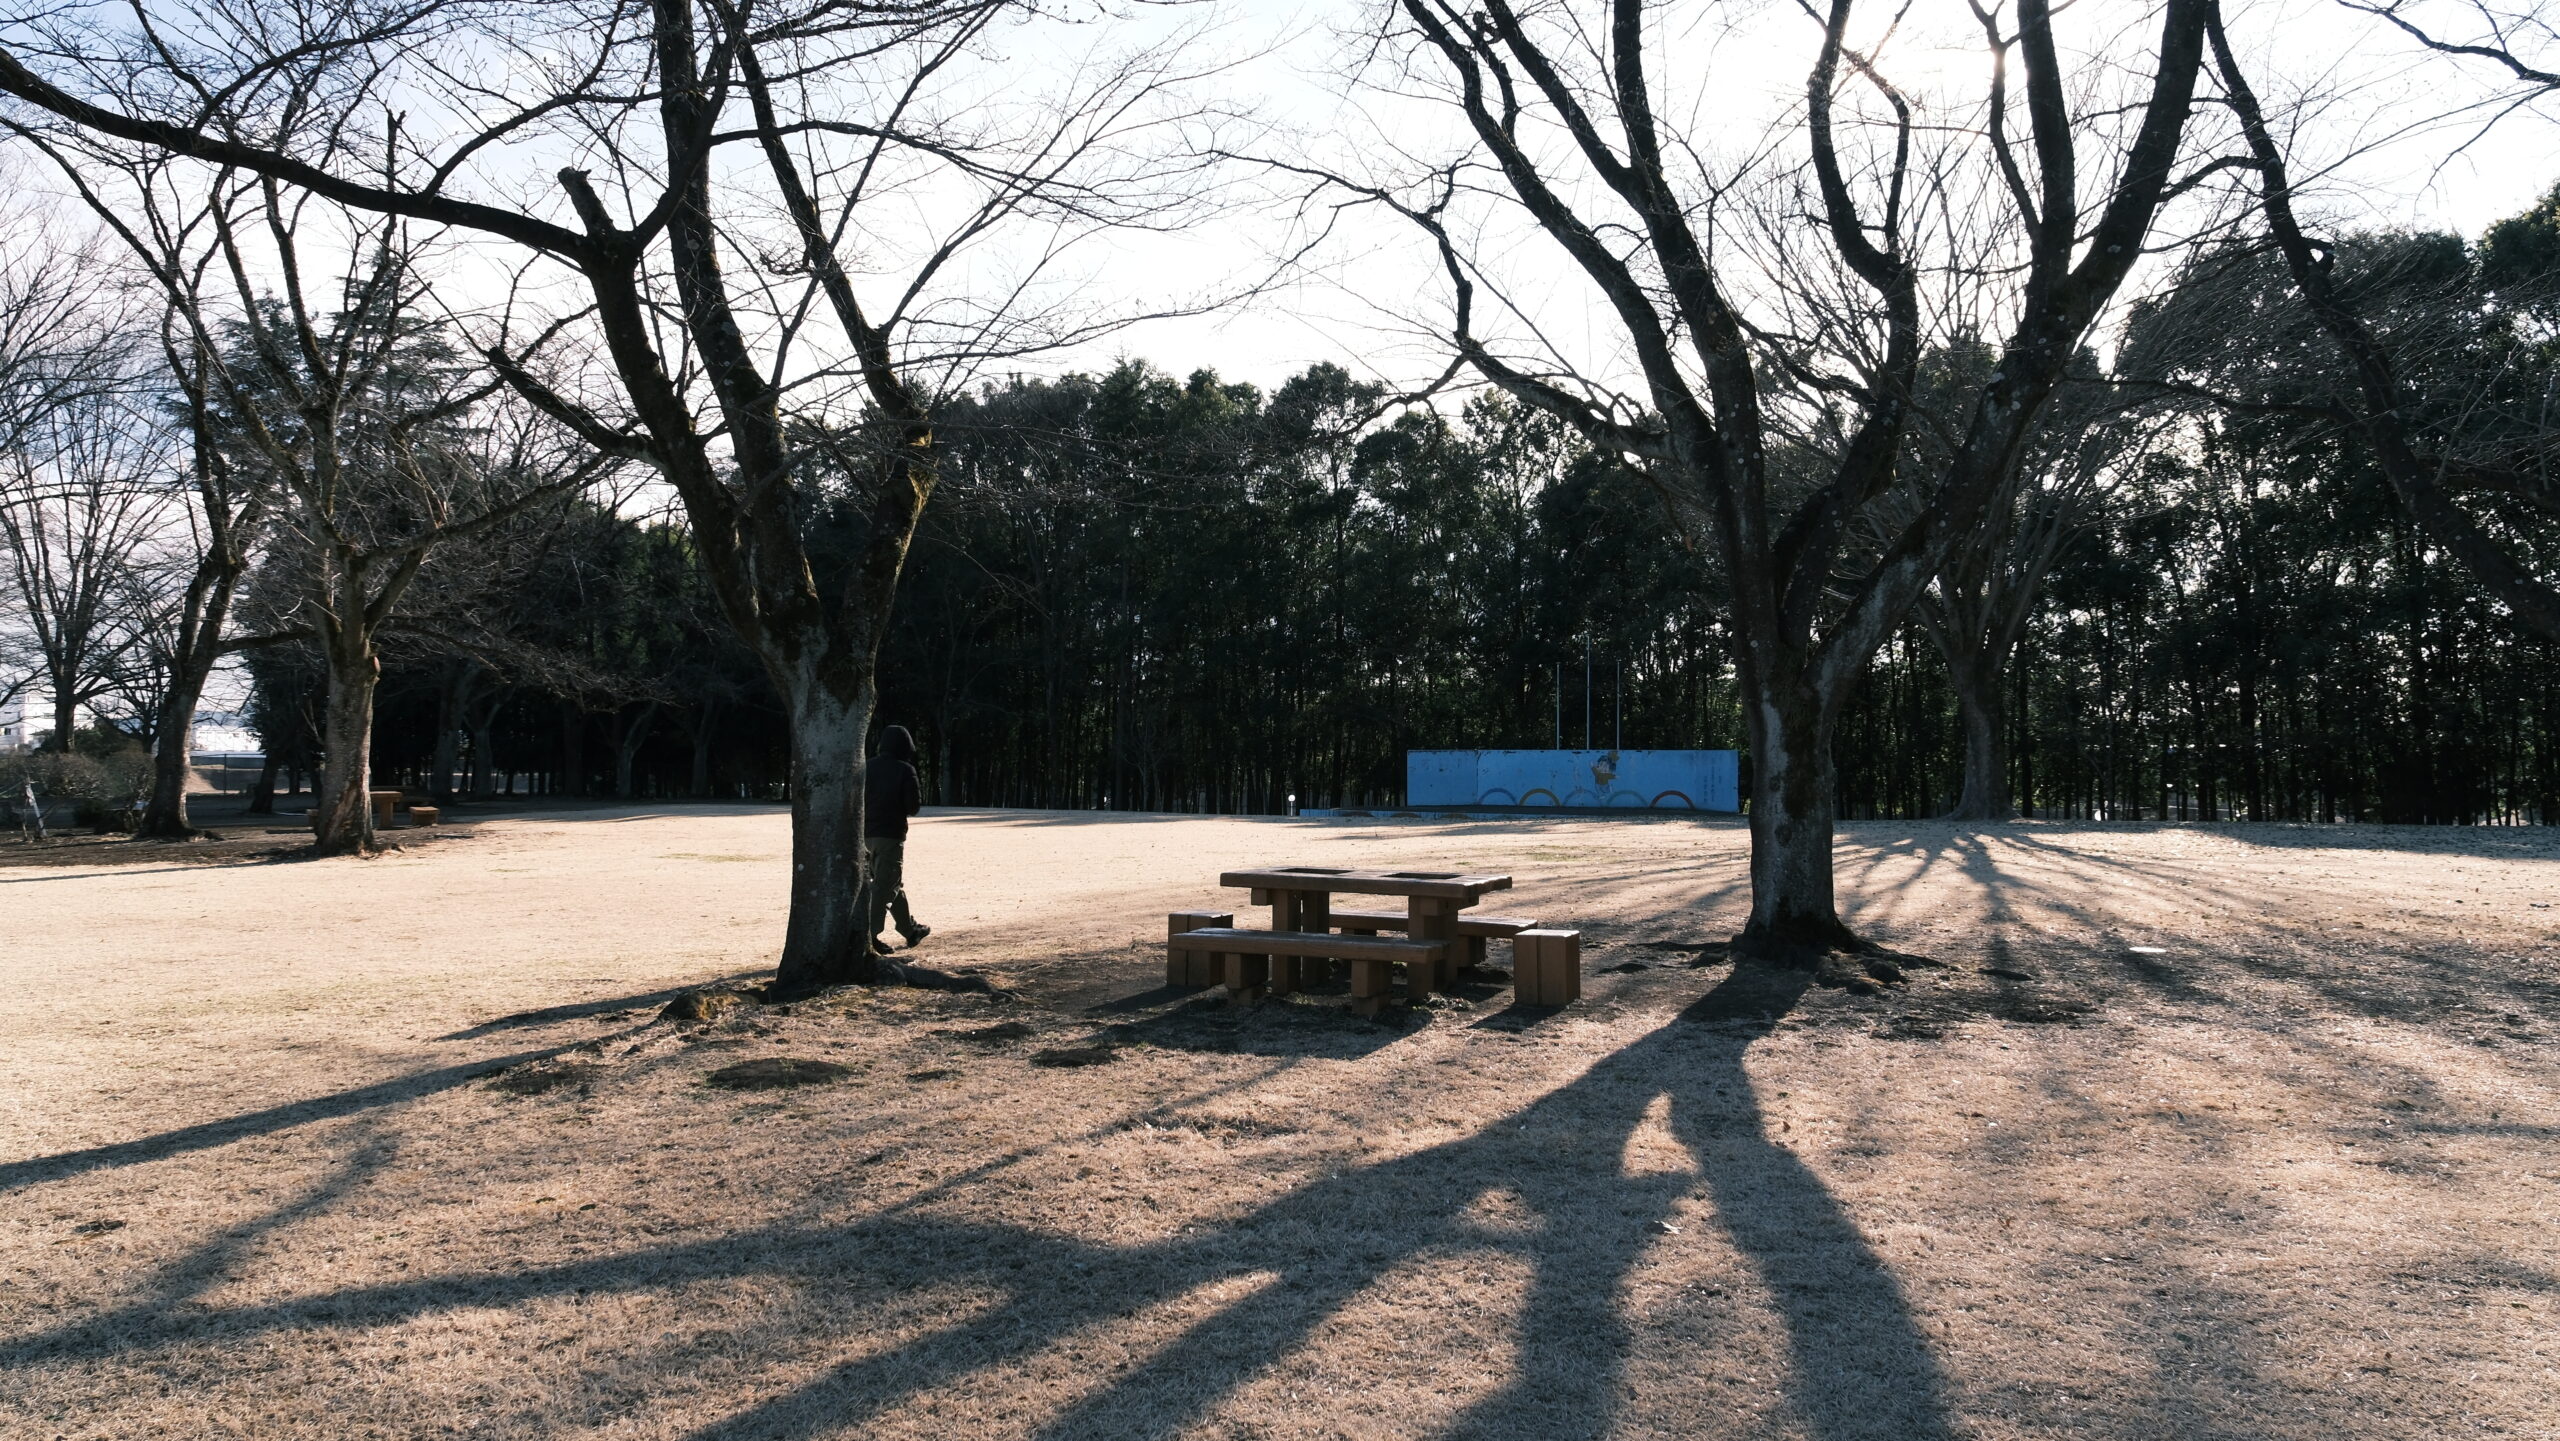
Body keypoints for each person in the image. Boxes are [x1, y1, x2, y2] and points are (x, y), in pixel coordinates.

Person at [861, 724, 930, 956]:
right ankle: (869, 937)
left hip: (865, 836)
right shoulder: (905, 770)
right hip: (890, 836)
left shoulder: (865, 767)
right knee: (884, 886)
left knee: (889, 882)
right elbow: (913, 807)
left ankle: (910, 931)